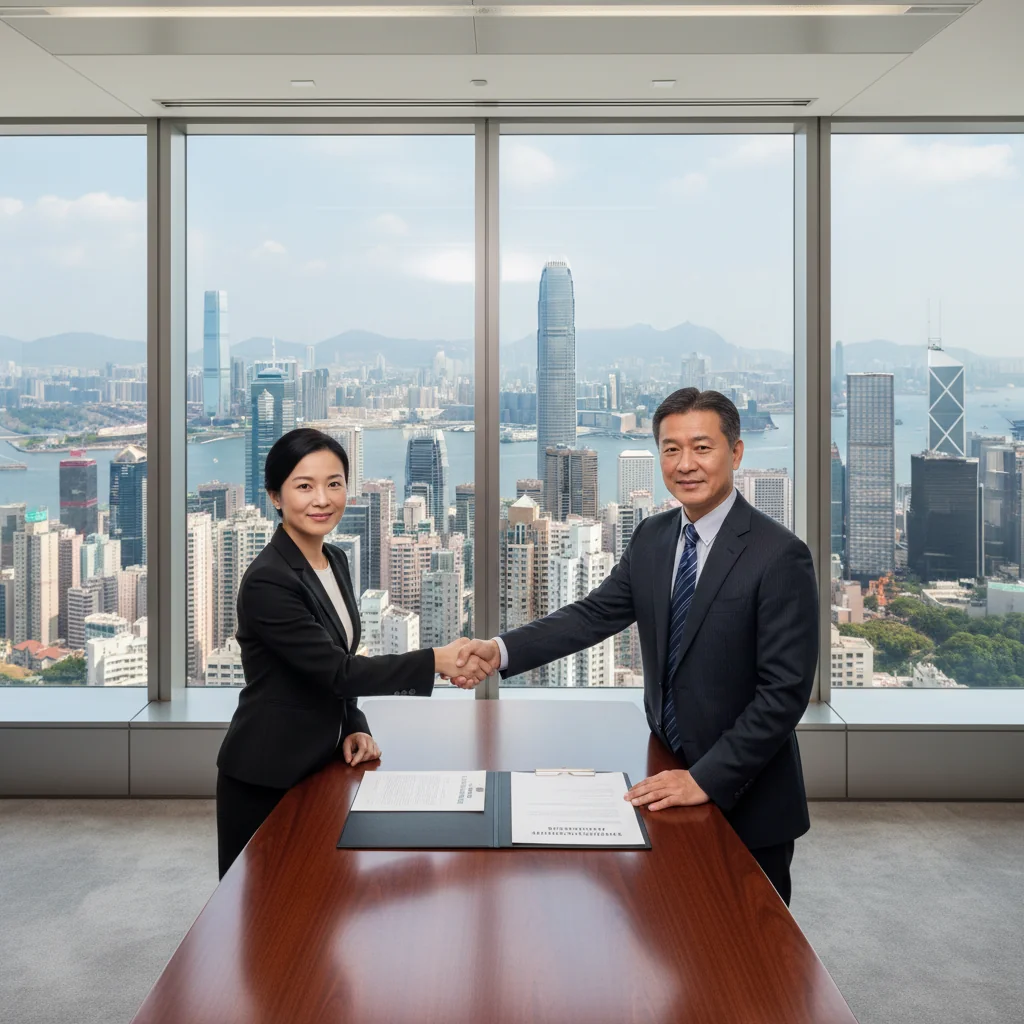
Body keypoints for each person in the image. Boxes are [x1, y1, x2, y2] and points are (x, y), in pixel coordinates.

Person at [453, 388, 818, 905]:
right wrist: (499, 650)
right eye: (671, 449)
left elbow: (783, 695)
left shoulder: (779, 555)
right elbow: (593, 615)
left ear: (735, 453)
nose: (685, 464)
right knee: (668, 931)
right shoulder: (653, 535)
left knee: (748, 958)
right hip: (664, 770)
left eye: (702, 447)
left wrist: (706, 779)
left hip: (746, 795)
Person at [216, 427, 489, 878]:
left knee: (320, 908)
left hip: (322, 765)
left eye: (335, 483)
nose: (322, 499)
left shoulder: (335, 559)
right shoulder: (270, 580)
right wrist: (435, 661)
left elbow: (329, 665)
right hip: (267, 774)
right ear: (275, 497)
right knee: (265, 918)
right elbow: (338, 671)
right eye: (304, 486)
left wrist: (353, 725)